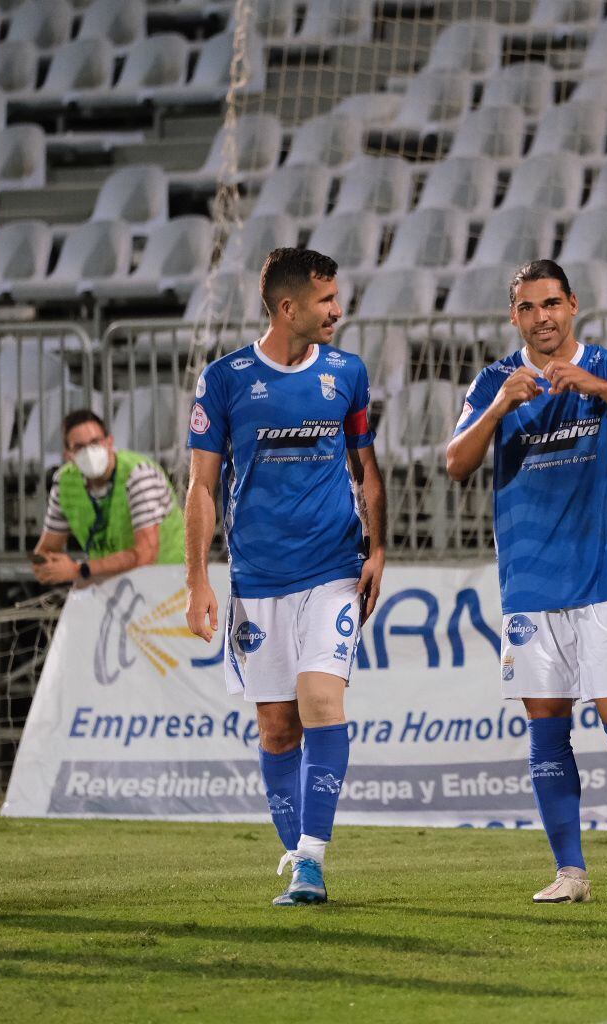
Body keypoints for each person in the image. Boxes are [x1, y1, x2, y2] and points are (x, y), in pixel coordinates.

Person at [445, 260, 607, 904]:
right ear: (514, 317)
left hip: (604, 573)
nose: (542, 317)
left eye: (552, 303)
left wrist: (597, 389)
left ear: (572, 304)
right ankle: (570, 872)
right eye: (528, 307)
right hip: (529, 583)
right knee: (546, 724)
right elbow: (455, 463)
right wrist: (499, 406)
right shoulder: (496, 380)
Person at [184, 248, 385, 907]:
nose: (339, 310)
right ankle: (298, 853)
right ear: (288, 307)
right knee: (277, 728)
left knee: (321, 700)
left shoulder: (348, 373)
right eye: (328, 300)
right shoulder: (225, 380)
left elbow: (367, 469)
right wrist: (197, 581)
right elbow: (202, 488)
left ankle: (311, 865)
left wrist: (377, 549)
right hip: (258, 578)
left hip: (332, 568)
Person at [30, 409, 186, 587]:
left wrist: (78, 569)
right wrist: (46, 565)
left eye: (95, 442)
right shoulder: (64, 482)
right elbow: (47, 548)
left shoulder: (139, 474)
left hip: (170, 582)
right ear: (68, 455)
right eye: (79, 447)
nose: (89, 452)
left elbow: (145, 555)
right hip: (111, 584)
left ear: (109, 442)